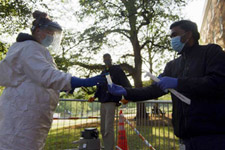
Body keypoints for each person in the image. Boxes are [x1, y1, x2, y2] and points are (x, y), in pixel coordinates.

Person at [108, 20, 225, 150]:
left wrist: (178, 82)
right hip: (185, 138)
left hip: (213, 136)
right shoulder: (172, 65)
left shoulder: (211, 52)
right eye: (171, 36)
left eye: (175, 35)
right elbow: (153, 90)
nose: (172, 39)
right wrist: (127, 91)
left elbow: (218, 83)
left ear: (188, 34)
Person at [0, 11, 103, 150]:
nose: (51, 36)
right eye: (49, 32)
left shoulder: (36, 50)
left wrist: (65, 86)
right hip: (22, 113)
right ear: (37, 30)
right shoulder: (29, 48)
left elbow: (41, 79)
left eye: (54, 33)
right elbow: (47, 75)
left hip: (31, 113)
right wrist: (80, 81)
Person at [88, 53, 131, 150]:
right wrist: (94, 96)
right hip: (102, 102)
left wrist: (128, 96)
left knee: (108, 128)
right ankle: (107, 147)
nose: (106, 60)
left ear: (111, 59)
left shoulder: (117, 70)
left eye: (108, 58)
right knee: (103, 129)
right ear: (103, 60)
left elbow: (126, 83)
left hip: (111, 102)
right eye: (104, 59)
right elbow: (99, 87)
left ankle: (109, 148)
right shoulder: (103, 72)